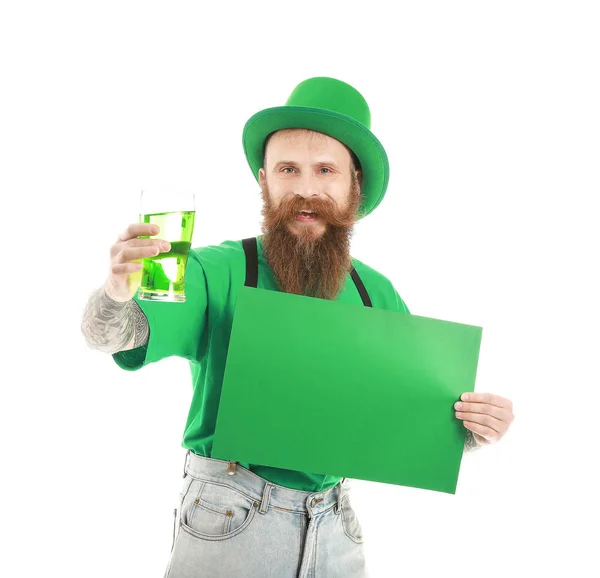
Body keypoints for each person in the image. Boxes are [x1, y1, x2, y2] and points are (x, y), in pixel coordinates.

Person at [81, 76, 515, 578]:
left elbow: (415, 419)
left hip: (337, 526)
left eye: (325, 170)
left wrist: (475, 429)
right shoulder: (219, 269)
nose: (306, 189)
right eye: (289, 169)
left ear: (355, 184)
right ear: (264, 180)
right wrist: (115, 293)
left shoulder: (378, 294)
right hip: (231, 519)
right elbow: (112, 334)